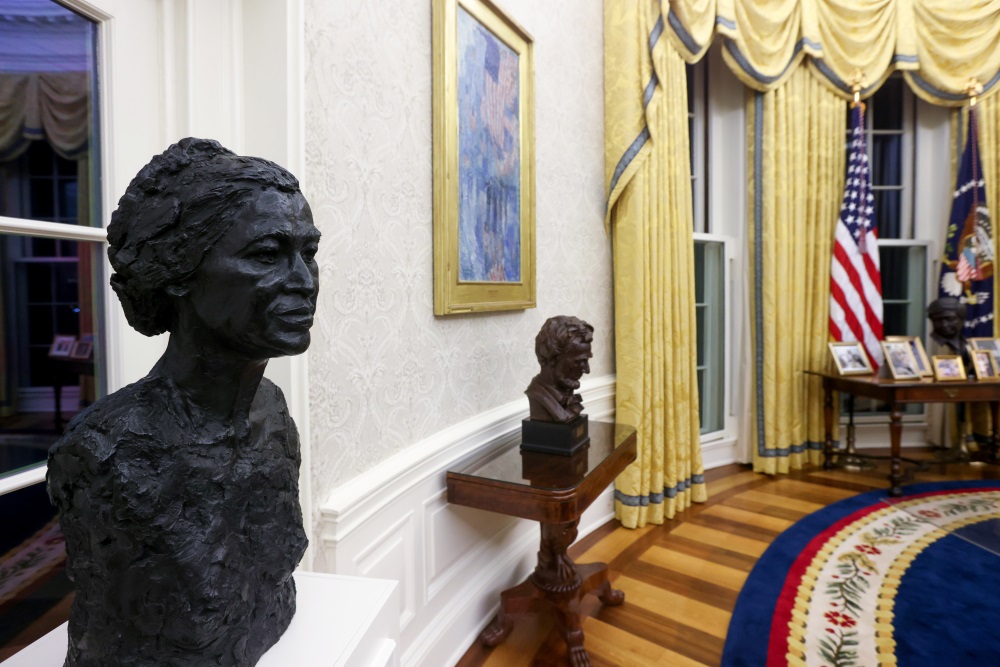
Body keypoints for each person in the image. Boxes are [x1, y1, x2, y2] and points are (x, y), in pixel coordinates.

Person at [47, 138, 319, 666]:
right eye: (267, 255)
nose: (304, 281)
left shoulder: (272, 416)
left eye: (308, 253)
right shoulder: (108, 455)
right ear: (179, 274)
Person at [525, 316, 594, 423]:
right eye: (578, 361)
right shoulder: (538, 396)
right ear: (551, 358)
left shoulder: (567, 394)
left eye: (586, 361)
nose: (586, 370)